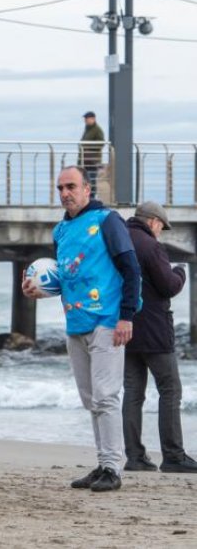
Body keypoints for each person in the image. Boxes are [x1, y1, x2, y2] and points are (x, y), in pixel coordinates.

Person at [22, 166, 140, 493]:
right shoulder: (60, 230)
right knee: (90, 399)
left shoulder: (107, 220)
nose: (65, 193)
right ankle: (103, 463)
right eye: (60, 187)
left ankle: (113, 468)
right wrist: (38, 289)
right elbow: (69, 277)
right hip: (75, 323)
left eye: (71, 186)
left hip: (108, 321)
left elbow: (130, 268)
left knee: (106, 396)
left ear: (87, 188)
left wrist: (127, 316)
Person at [122, 202, 197, 473]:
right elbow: (168, 286)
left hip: (125, 328)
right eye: (161, 227)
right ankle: (173, 455)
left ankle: (135, 456)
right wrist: (180, 272)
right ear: (153, 222)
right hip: (154, 331)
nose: (160, 233)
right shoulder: (151, 246)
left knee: (132, 392)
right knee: (170, 390)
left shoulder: (119, 240)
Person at [79, 111, 105, 194]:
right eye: (85, 119)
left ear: (93, 119)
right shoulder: (87, 129)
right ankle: (87, 197)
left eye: (87, 118)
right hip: (85, 161)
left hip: (93, 161)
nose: (85, 120)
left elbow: (101, 143)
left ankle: (91, 197)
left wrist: (87, 148)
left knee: (92, 180)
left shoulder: (97, 130)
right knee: (85, 180)